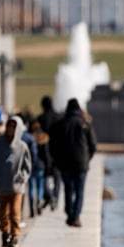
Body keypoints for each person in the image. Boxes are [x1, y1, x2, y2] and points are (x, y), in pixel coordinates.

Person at [49, 98, 96, 228]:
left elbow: (52, 146)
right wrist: (87, 158)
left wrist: (56, 160)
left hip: (65, 164)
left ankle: (70, 213)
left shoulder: (60, 124)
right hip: (81, 164)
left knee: (68, 189)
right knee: (79, 191)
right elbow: (93, 145)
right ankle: (75, 216)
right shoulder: (85, 123)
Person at [0, 117, 31, 247]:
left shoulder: (22, 147)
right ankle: (5, 233)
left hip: (17, 186)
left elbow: (27, 167)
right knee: (3, 213)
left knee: (15, 213)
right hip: (2, 185)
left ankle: (15, 236)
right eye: (9, 126)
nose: (11, 129)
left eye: (14, 127)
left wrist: (22, 177)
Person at [36, 96, 61, 211]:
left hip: (43, 151)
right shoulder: (58, 117)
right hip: (57, 152)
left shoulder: (40, 118)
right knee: (57, 177)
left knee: (45, 175)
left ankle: (49, 195)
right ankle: (55, 197)